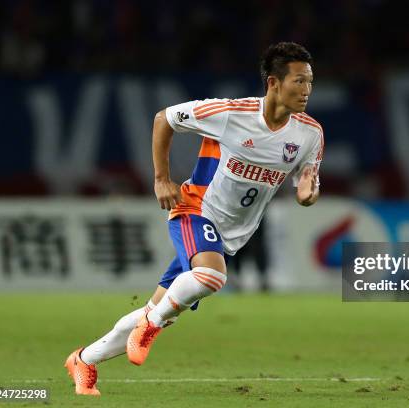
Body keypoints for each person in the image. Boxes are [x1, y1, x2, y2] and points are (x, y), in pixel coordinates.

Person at [64, 42, 323, 396]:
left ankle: (84, 360)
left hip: (234, 232)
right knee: (211, 276)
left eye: (310, 82)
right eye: (299, 81)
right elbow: (164, 119)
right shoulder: (231, 113)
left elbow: (308, 179)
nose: (306, 91)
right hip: (195, 210)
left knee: (159, 306)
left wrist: (309, 190)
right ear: (274, 83)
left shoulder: (309, 133)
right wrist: (161, 179)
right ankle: (149, 327)